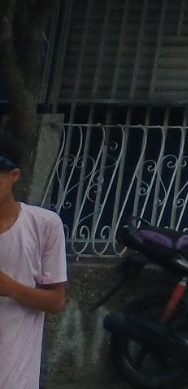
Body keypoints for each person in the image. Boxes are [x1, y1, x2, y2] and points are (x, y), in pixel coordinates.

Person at [0, 136, 68, 388]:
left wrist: (11, 288)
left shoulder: (44, 225)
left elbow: (56, 301)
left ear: (14, 175)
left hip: (16, 374)